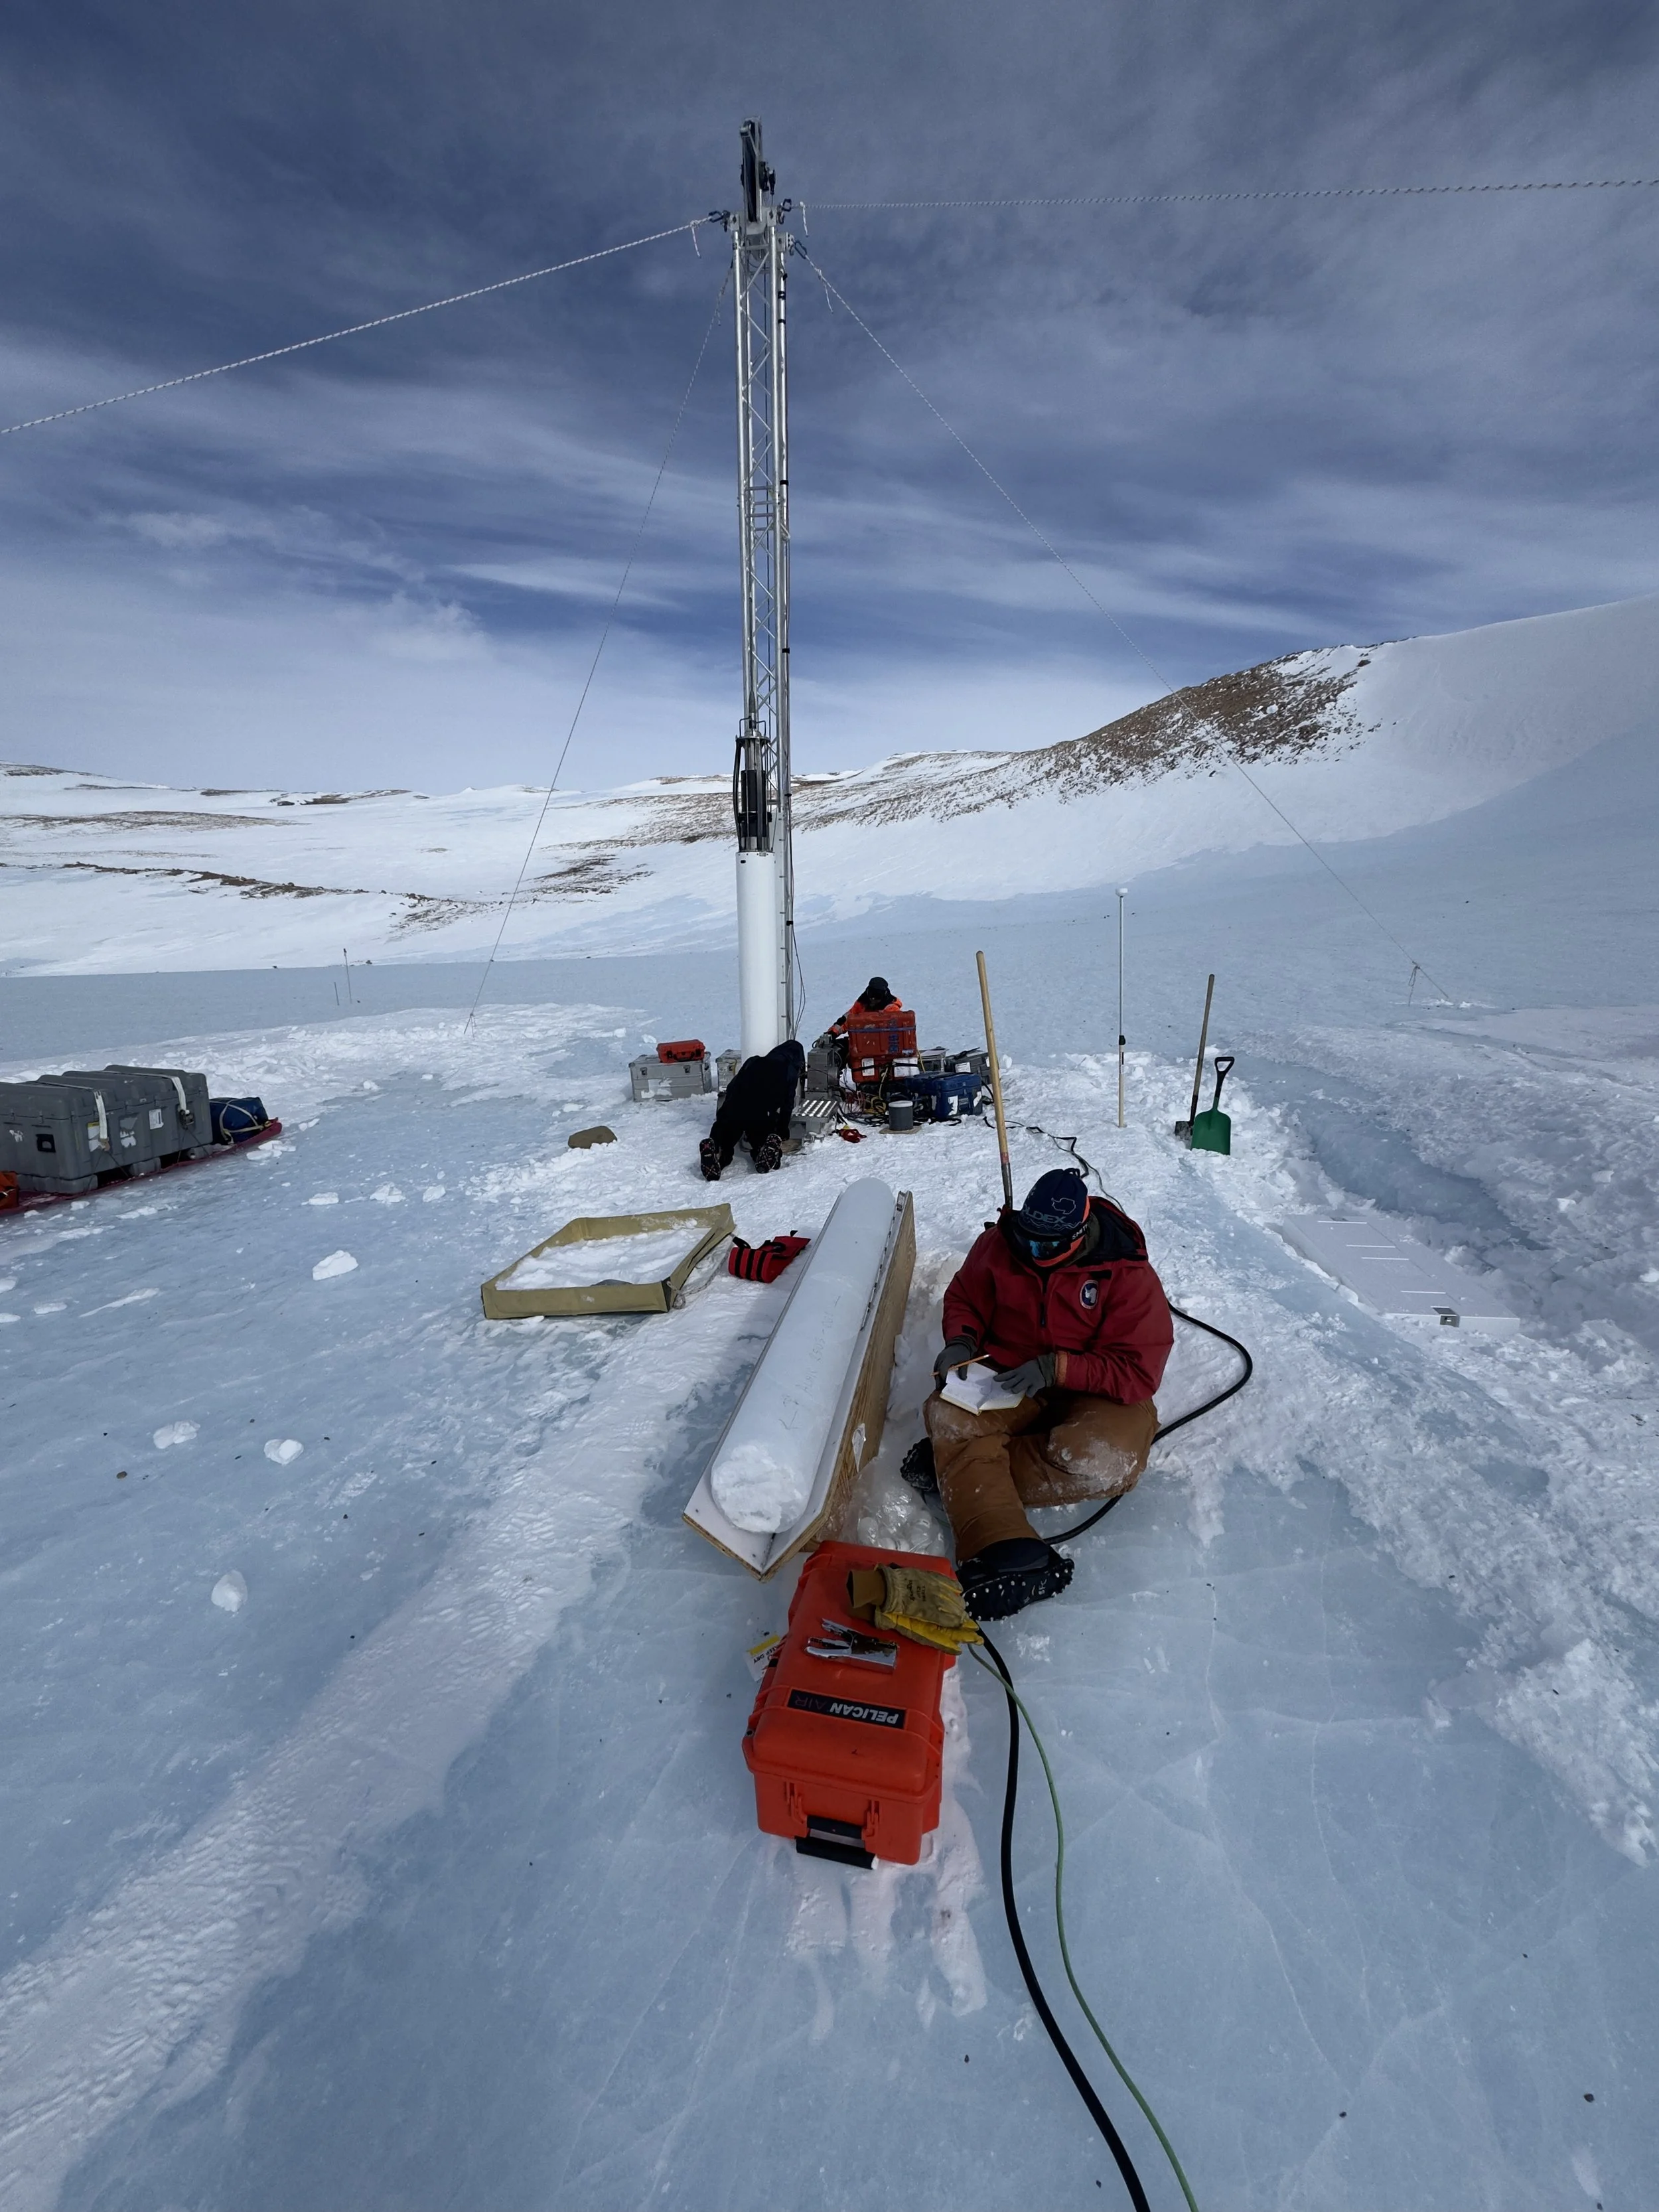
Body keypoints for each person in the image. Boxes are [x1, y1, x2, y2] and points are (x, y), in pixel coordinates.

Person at [922, 1168, 1173, 1619]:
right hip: (1009, 1374)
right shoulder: (999, 1245)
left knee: (1103, 1459)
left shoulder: (1126, 1272)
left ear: (1079, 1236)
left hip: (1098, 1387)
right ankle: (1007, 1547)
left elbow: (1138, 1367)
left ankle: (961, 1466)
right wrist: (960, 1339)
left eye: (1049, 1247)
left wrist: (1057, 1368)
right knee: (949, 1416)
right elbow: (966, 1297)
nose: (1035, 1254)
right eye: (1029, 1240)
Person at [699, 1039, 805, 1179]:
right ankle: (765, 1151)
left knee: (725, 1136)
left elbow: (732, 1086)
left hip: (735, 1103)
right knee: (761, 1137)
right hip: (761, 1110)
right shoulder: (790, 1071)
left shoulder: (753, 1061)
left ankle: (717, 1151)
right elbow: (788, 1103)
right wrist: (782, 1129)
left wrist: (726, 1110)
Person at [828, 976, 905, 1037]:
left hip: (883, 1045)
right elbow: (847, 1019)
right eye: (871, 995)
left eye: (877, 996)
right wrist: (833, 1032)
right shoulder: (862, 1003)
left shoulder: (891, 1009)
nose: (873, 999)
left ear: (884, 995)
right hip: (859, 1043)